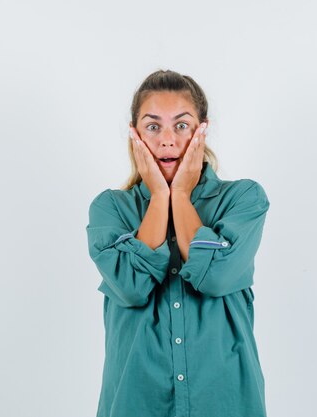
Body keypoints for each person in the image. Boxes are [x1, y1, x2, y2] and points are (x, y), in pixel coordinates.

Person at [85, 69, 271, 417]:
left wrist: (181, 194)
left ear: (203, 130)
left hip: (225, 402)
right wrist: (159, 196)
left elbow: (214, 276)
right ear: (134, 134)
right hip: (136, 403)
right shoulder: (111, 209)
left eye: (182, 125)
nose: (167, 140)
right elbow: (131, 286)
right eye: (153, 127)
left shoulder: (243, 199)